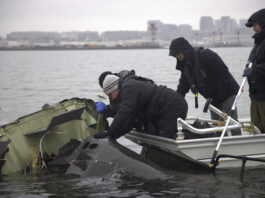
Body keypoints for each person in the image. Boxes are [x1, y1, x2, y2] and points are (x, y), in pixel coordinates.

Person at [169, 37, 240, 135]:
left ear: (184, 50)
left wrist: (215, 94)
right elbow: (182, 87)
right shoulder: (185, 67)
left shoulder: (205, 55)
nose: (177, 56)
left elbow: (223, 73)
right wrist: (175, 101)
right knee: (217, 127)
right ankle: (222, 146)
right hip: (213, 98)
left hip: (228, 93)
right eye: (175, 55)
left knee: (232, 123)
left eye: (177, 53)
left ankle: (238, 143)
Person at [93, 74, 188, 140]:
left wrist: (109, 132)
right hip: (165, 109)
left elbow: (124, 112)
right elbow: (130, 121)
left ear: (114, 89)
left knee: (167, 138)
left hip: (172, 106)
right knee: (159, 136)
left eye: (110, 94)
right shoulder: (127, 93)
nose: (111, 98)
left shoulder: (128, 87)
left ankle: (196, 137)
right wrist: (113, 136)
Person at [243, 9, 265, 133]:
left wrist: (254, 70)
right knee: (255, 127)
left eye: (255, 25)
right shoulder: (258, 42)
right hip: (256, 94)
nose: (254, 29)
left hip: (263, 95)